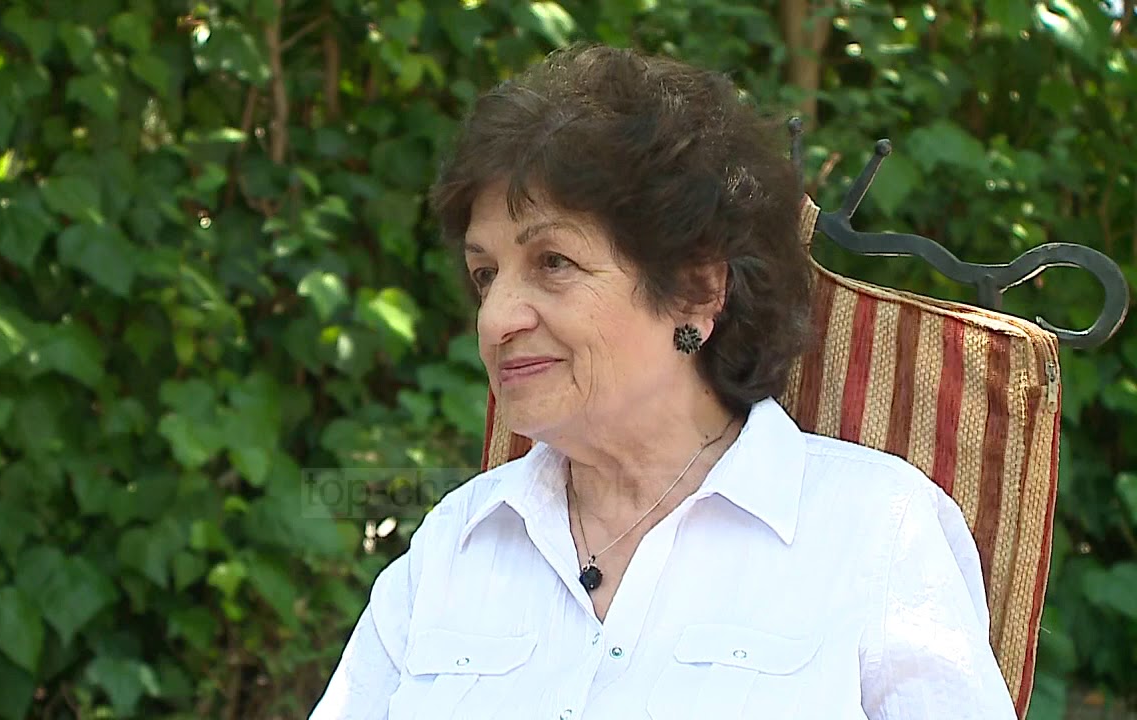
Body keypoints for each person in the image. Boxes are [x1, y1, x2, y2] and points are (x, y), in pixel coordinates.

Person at [310, 45, 1014, 719]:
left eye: (553, 262)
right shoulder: (455, 544)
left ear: (696, 290)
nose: (495, 319)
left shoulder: (874, 531)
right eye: (485, 275)